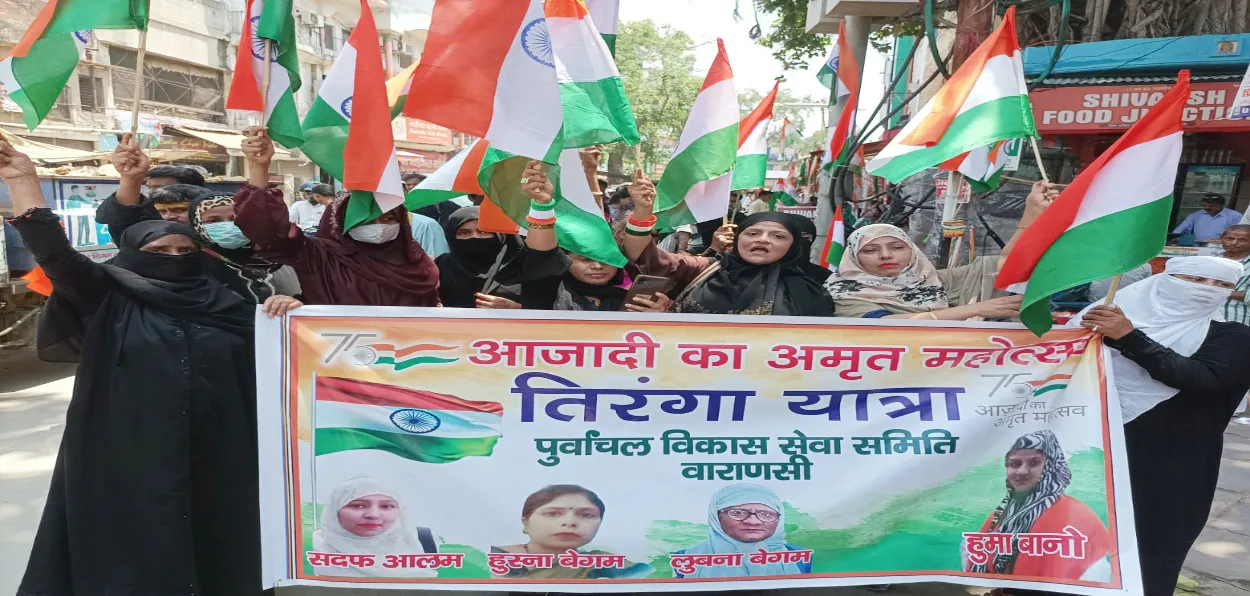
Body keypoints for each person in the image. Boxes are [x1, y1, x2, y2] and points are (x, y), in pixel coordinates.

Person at [1, 139, 302, 596]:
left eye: (185, 253)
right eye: (159, 253)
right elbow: (55, 254)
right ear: (135, 256)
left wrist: (287, 313)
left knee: (222, 537)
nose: (175, 261)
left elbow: (283, 361)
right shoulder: (108, 295)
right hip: (127, 447)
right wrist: (23, 181)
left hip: (222, 447)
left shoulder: (232, 303)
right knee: (135, 541)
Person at [1074, 256, 1250, 596]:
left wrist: (1130, 338)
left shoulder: (1234, 336)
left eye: (1221, 285)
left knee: (1150, 546)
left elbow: (1203, 378)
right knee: (1079, 535)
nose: (1206, 291)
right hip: (1094, 451)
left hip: (1171, 464)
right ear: (1164, 278)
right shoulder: (1100, 321)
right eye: (1195, 280)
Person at [233, 128, 441, 306]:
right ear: (341, 222)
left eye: (388, 219)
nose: (378, 227)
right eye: (364, 220)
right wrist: (258, 167)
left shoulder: (417, 264)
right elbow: (267, 231)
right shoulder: (319, 256)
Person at [824, 180, 1057, 320]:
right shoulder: (845, 293)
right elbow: (888, 324)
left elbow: (1007, 263)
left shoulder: (933, 281)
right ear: (854, 258)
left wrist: (1032, 212)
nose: (886, 255)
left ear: (913, 252)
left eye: (896, 247)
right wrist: (974, 310)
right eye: (871, 250)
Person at [621, 174, 835, 317]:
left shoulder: (811, 291)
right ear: (738, 238)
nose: (762, 239)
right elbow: (642, 253)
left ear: (794, 246)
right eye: (752, 233)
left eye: (778, 236)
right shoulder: (706, 269)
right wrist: (642, 210)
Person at [519, 161, 671, 313]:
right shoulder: (548, 293)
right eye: (585, 259)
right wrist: (542, 205)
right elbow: (542, 255)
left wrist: (656, 317)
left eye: (607, 259)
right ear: (565, 261)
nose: (598, 266)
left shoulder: (629, 303)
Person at [965, 431, 1110, 580]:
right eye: (1015, 464)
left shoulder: (1078, 517)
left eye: (1034, 463)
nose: (1021, 471)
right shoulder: (999, 516)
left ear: (1051, 466)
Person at [492, 484, 651, 579]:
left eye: (586, 515)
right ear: (525, 522)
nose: (570, 522)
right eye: (552, 514)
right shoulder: (491, 560)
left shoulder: (602, 562)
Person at [673, 484, 811, 578]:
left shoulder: (798, 557)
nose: (753, 521)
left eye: (766, 514)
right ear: (716, 516)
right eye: (738, 512)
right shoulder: (685, 559)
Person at [313, 477, 441, 578]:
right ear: (335, 510)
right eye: (358, 506)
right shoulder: (314, 548)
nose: (373, 515)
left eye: (386, 506)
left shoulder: (423, 543)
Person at [188, 192, 302, 302]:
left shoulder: (280, 259)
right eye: (213, 221)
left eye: (235, 219)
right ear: (197, 225)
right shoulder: (193, 263)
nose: (229, 226)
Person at [436, 206, 524, 308]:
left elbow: (543, 304)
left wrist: (514, 307)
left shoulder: (521, 264)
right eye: (464, 233)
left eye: (484, 231)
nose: (475, 237)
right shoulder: (442, 266)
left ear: (499, 234)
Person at [1172, 194, 1242, 244]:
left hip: (1223, 248)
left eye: (1212, 206)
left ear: (1222, 205)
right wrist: (1175, 237)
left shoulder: (1235, 216)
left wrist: (1224, 240)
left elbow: (1241, 235)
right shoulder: (1196, 215)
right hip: (1198, 247)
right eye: (1205, 205)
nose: (1207, 208)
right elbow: (1180, 229)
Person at [1216, 224, 1250, 325]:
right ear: (1221, 239)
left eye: (1242, 240)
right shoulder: (1210, 260)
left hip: (1235, 319)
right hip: (1201, 318)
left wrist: (1221, 292)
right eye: (1229, 239)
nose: (1234, 243)